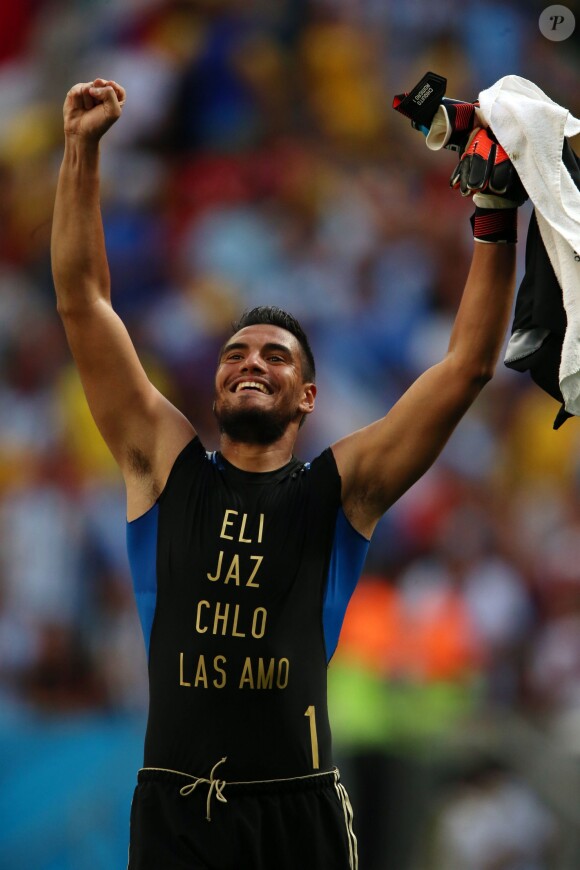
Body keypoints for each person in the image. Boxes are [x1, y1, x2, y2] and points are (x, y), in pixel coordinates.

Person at [51, 78, 522, 870]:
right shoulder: (163, 466)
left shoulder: (342, 490)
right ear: (215, 384)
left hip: (298, 812)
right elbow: (82, 301)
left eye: (275, 356)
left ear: (307, 396)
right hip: (176, 810)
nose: (250, 363)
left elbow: (468, 366)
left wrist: (496, 217)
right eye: (236, 353)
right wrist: (80, 151)